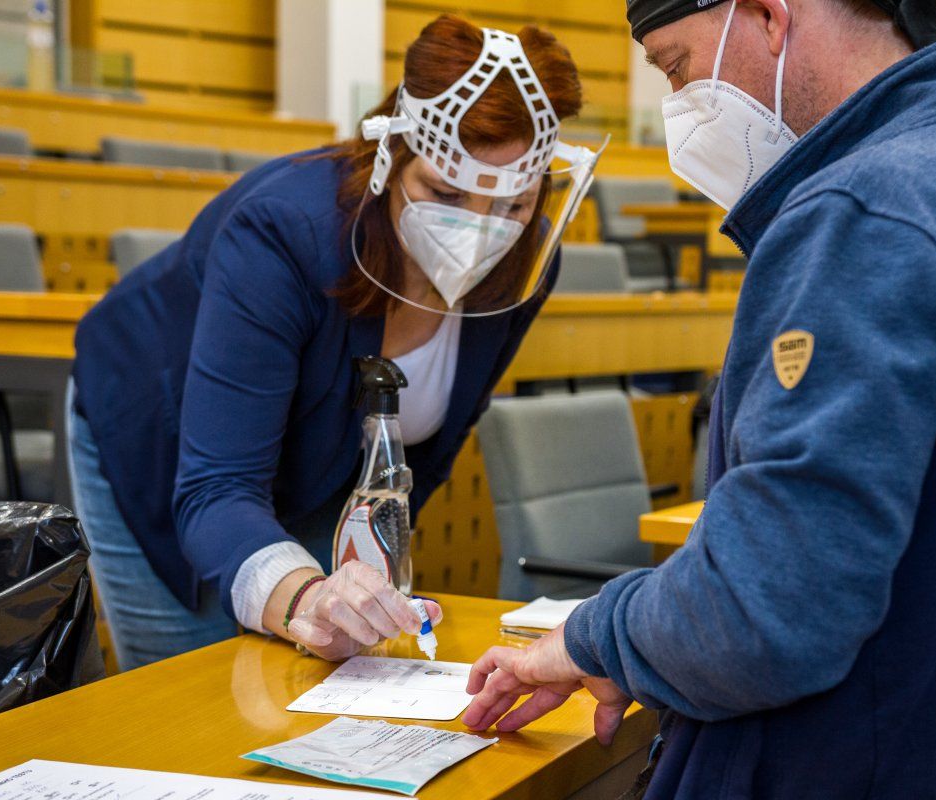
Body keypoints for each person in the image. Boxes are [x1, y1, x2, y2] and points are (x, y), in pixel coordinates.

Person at [463, 0, 936, 796]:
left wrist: (597, 637)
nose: (680, 107)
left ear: (766, 16)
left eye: (676, 65)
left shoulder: (865, 212)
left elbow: (763, 614)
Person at [67, 15, 600, 670]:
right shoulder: (286, 232)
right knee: (198, 689)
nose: (476, 230)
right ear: (393, 155)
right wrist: (303, 596)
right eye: (443, 193)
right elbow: (217, 489)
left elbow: (433, 442)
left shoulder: (525, 261)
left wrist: (359, 575)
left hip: (319, 465)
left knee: (320, 664)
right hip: (160, 438)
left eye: (512, 206)